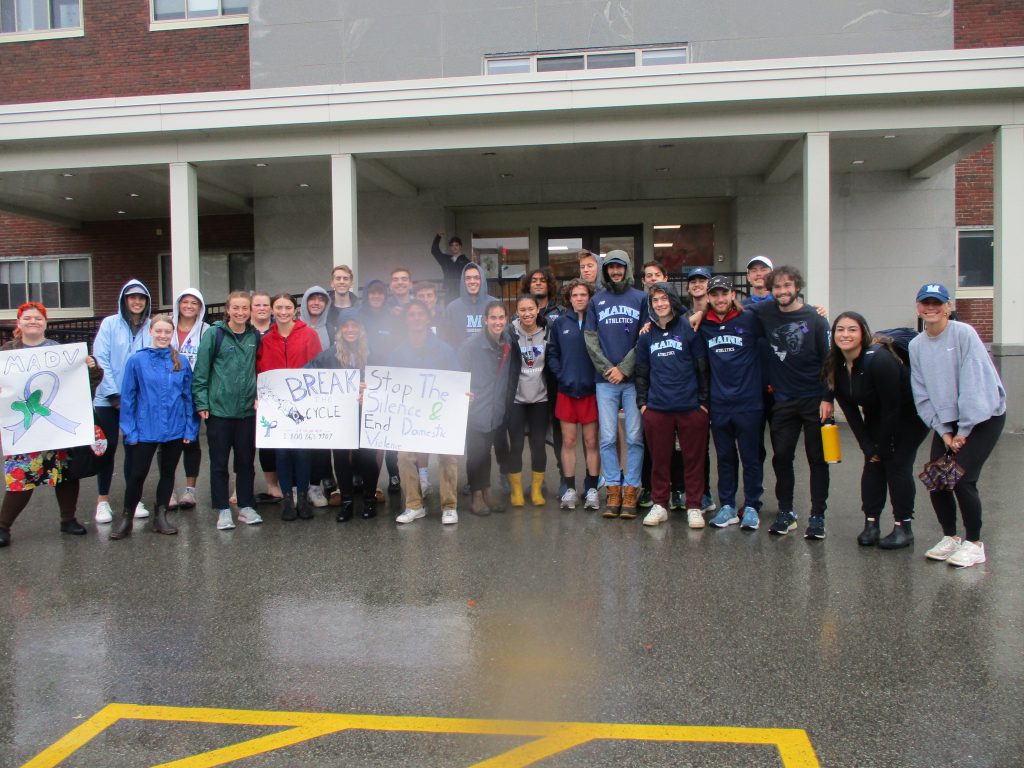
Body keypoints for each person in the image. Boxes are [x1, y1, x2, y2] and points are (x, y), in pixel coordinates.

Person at [909, 283, 1006, 568]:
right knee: (937, 478)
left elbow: (975, 385)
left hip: (984, 415)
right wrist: (945, 432)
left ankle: (975, 544)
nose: (931, 307)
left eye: (937, 303)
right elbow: (922, 393)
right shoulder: (917, 345)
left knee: (962, 478)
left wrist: (963, 432)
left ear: (947, 307)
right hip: (948, 423)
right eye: (925, 302)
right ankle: (950, 537)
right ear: (918, 307)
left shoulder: (964, 334)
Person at [0, 303, 102, 548]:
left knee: (66, 474)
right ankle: (3, 526)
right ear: (19, 322)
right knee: (21, 477)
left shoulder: (60, 351)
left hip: (56, 427)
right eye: (28, 317)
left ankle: (68, 519)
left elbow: (88, 384)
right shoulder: (7, 353)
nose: (33, 321)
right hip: (25, 429)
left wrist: (91, 367)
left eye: (38, 317)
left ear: (45, 323)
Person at [825, 312, 929, 549]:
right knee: (872, 463)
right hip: (877, 414)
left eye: (852, 329)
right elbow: (850, 411)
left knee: (896, 464)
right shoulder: (835, 364)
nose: (845, 334)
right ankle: (871, 524)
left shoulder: (880, 360)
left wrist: (883, 446)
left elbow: (892, 408)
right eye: (840, 329)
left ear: (863, 333)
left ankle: (904, 528)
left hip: (909, 415)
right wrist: (867, 446)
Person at [749, 265, 833, 539]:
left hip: (814, 400)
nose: (783, 291)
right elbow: (735, 310)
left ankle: (817, 516)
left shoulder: (816, 319)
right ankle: (786, 512)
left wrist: (827, 398)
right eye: (778, 287)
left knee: (817, 459)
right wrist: (700, 313)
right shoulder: (765, 312)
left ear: (797, 287)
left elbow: (829, 362)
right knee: (782, 457)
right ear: (771, 290)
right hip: (783, 400)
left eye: (788, 286)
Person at [110, 314, 199, 539]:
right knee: (137, 474)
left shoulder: (182, 361)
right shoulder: (136, 361)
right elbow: (128, 398)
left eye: (167, 332)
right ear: (151, 332)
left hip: (175, 427)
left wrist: (190, 429)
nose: (162, 335)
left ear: (172, 334)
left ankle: (160, 516)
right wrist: (129, 430)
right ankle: (127, 518)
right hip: (145, 428)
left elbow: (188, 396)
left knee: (168, 473)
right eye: (158, 331)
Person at [634, 283, 710, 528]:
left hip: (690, 407)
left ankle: (695, 506)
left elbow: (702, 367)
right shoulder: (646, 335)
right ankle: (659, 504)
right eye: (655, 300)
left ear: (673, 300)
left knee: (693, 459)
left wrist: (703, 403)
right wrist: (643, 404)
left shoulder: (688, 328)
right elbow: (642, 372)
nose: (660, 304)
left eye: (664, 299)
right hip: (657, 408)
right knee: (659, 459)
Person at [697, 276, 765, 531]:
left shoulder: (750, 319)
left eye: (724, 293)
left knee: (750, 457)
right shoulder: (704, 324)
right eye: (714, 294)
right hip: (720, 403)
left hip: (748, 402)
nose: (720, 299)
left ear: (733, 295)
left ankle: (751, 506)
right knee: (725, 457)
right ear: (709, 298)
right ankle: (727, 505)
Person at [192, 291, 263, 531]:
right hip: (219, 412)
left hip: (246, 412)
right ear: (228, 309)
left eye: (245, 308)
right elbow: (201, 371)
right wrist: (202, 402)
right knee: (219, 463)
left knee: (245, 462)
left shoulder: (254, 336)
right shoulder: (215, 334)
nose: (241, 312)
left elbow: (260, 369)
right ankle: (222, 508)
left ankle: (245, 505)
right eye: (237, 308)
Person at [584, 249, 647, 518]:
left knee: (634, 437)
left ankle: (631, 490)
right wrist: (609, 369)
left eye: (620, 267)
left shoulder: (641, 298)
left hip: (632, 380)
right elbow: (590, 338)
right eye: (611, 267)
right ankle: (612, 489)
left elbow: (645, 337)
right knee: (607, 438)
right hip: (605, 381)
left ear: (627, 269)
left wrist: (624, 369)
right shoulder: (596, 301)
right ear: (605, 270)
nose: (615, 272)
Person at [307, 312, 382, 522]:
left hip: (365, 412)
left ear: (361, 330)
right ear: (339, 330)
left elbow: (384, 379)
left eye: (355, 326)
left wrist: (370, 388)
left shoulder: (371, 354)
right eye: (346, 326)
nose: (350, 330)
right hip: (339, 415)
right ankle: (347, 501)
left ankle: (369, 499)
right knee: (340, 456)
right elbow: (307, 374)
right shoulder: (329, 355)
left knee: (367, 456)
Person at [392, 301, 461, 525]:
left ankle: (449, 506)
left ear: (428, 318)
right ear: (406, 320)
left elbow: (457, 379)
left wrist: (464, 394)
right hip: (411, 416)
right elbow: (389, 383)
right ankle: (414, 505)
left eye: (420, 314)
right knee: (404, 456)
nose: (416, 318)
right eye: (411, 314)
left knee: (448, 455)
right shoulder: (398, 352)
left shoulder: (444, 349)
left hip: (439, 414)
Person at [256, 293, 322, 521]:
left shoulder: (309, 334)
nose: (283, 312)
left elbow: (318, 367)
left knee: (303, 451)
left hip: (303, 402)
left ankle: (302, 498)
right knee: (282, 451)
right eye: (279, 308)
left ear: (295, 310)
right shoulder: (266, 340)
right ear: (273, 311)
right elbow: (260, 370)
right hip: (276, 404)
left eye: (288, 308)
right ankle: (287, 499)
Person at [92, 279, 153, 525]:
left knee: (134, 451)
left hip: (138, 401)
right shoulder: (109, 324)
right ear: (124, 300)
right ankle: (102, 501)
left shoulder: (151, 327)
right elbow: (101, 359)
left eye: (141, 298)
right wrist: (115, 394)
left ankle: (133, 498)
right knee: (106, 450)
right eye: (132, 297)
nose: (137, 302)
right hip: (108, 401)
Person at [548, 279, 601, 511]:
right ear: (569, 298)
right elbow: (552, 353)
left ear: (589, 297)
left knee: (591, 442)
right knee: (568, 441)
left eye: (583, 294)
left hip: (590, 391)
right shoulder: (560, 323)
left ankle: (591, 488)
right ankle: (569, 489)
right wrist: (562, 375)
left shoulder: (596, 320)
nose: (579, 298)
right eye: (575, 295)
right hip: (567, 391)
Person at [460, 300, 516, 517]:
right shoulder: (471, 345)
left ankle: (487, 491)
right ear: (485, 320)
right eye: (493, 317)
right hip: (475, 408)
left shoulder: (508, 342)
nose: (497, 322)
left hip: (495, 409)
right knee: (476, 453)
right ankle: (476, 495)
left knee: (487, 451)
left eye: (501, 317)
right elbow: (460, 373)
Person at [638, 260, 686, 510]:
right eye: (648, 276)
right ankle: (652, 491)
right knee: (652, 448)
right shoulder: (643, 310)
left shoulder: (683, 317)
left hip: (681, 397)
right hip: (655, 396)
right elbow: (640, 353)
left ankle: (678, 490)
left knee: (679, 448)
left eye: (657, 275)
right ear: (644, 280)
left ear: (666, 278)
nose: (653, 279)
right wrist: (643, 402)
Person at [505, 294, 554, 507]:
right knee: (515, 445)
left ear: (537, 310)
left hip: (540, 398)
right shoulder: (509, 332)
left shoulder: (548, 330)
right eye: (522, 310)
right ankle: (516, 489)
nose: (527, 314)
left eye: (531, 309)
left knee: (537, 445)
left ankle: (536, 488)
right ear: (517, 311)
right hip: (516, 398)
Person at [360, 279, 402, 496]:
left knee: (392, 430)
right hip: (368, 379)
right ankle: (371, 480)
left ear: (384, 295)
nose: (376, 297)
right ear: (367, 295)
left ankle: (394, 474)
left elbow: (400, 342)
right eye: (372, 293)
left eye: (380, 293)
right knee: (373, 434)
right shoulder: (359, 315)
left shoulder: (392, 315)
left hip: (391, 378)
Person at [168, 288, 208, 511]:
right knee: (167, 443)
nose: (189, 306)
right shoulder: (167, 327)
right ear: (179, 304)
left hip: (194, 391)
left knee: (191, 441)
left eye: (194, 303)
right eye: (185, 302)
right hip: (168, 394)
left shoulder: (206, 330)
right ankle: (169, 490)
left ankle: (190, 491)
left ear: (200, 307)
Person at [299, 284, 335, 508]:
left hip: (324, 392)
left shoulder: (331, 329)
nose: (316, 303)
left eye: (321, 299)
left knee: (322, 441)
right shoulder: (294, 327)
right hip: (299, 391)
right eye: (312, 299)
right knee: (302, 442)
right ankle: (299, 486)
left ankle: (317, 484)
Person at [249, 291, 282, 503]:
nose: (261, 308)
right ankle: (240, 488)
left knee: (270, 441)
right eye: (257, 305)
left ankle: (273, 484)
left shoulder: (277, 329)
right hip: (248, 393)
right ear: (251, 308)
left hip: (273, 394)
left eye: (265, 305)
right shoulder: (245, 331)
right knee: (245, 445)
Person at [445, 262, 497, 349]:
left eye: (476, 278)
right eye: (468, 278)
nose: (472, 281)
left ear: (482, 280)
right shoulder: (452, 308)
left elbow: (503, 337)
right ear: (463, 281)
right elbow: (448, 340)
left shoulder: (495, 305)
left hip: (489, 360)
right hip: (461, 360)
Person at [431, 231, 471, 302]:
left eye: (456, 245)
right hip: (448, 291)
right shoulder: (445, 259)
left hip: (462, 291)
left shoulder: (467, 262)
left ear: (460, 246)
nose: (454, 247)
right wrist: (438, 237)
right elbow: (434, 251)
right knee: (448, 311)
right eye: (452, 245)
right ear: (450, 247)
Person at [326, 264, 358, 339]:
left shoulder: (359, 309)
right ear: (332, 283)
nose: (342, 282)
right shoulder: (324, 310)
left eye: (345, 279)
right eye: (338, 278)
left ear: (351, 284)